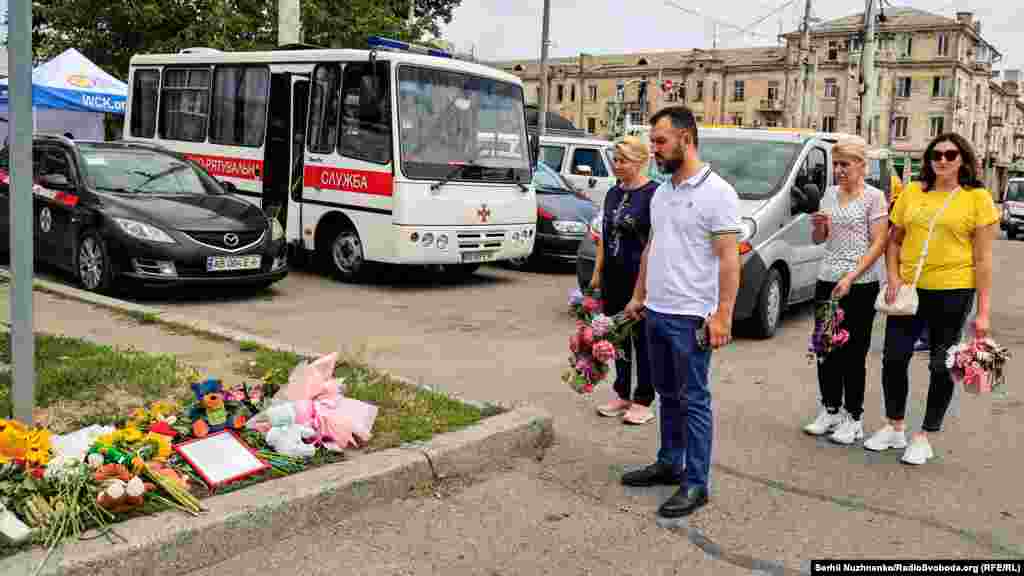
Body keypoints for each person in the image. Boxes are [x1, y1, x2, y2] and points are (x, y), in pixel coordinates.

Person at [621, 106, 741, 518]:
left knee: (694, 401)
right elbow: (653, 247)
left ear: (685, 139)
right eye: (653, 141)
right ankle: (670, 463)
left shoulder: (718, 193)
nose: (654, 149)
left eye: (660, 141)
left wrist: (723, 314)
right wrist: (639, 296)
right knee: (667, 395)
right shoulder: (664, 191)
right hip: (657, 310)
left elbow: (729, 259)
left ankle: (696, 483)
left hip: (692, 316)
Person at [865, 132, 998, 465]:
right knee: (894, 358)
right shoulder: (912, 192)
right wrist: (893, 277)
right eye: (936, 155)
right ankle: (895, 426)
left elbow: (983, 259)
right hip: (909, 291)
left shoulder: (977, 198)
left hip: (953, 291)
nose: (942, 161)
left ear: (963, 160)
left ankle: (924, 435)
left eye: (950, 155)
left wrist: (983, 313)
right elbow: (894, 241)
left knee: (942, 364)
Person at [803, 136, 888, 443]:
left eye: (845, 164)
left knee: (853, 352)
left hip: (859, 283)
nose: (839, 170)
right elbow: (819, 239)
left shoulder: (874, 197)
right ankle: (830, 409)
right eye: (836, 164)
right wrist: (817, 225)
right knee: (826, 347)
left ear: (861, 166)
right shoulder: (828, 195)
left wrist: (852, 276)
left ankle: (854, 417)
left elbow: (879, 243)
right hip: (828, 278)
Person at [591, 136, 660, 425]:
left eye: (624, 161)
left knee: (642, 340)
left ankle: (644, 399)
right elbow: (605, 238)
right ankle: (622, 392)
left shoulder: (654, 194)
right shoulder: (612, 194)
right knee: (617, 337)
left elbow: (655, 242)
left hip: (640, 279)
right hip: (613, 277)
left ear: (641, 161)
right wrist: (597, 274)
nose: (617, 166)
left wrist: (642, 290)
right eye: (615, 160)